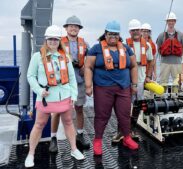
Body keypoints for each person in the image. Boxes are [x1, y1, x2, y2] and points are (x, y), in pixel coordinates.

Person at [25, 25, 84, 167]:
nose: (53, 42)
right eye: (50, 39)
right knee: (39, 124)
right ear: (46, 40)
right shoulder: (37, 57)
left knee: (69, 122)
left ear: (59, 41)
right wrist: (39, 91)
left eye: (55, 40)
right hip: (46, 97)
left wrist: (73, 95)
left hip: (64, 95)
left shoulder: (65, 57)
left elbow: (71, 78)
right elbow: (30, 76)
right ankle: (31, 154)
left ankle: (74, 149)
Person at [85, 20, 139, 155]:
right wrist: (88, 85)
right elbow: (88, 67)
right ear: (105, 34)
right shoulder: (96, 48)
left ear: (119, 35)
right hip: (103, 88)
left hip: (123, 87)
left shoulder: (126, 48)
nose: (113, 37)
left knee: (124, 115)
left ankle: (126, 138)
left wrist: (134, 84)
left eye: (115, 34)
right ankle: (98, 141)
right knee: (102, 115)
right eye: (110, 34)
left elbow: (133, 66)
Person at [49, 15, 90, 153]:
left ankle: (80, 135)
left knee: (79, 108)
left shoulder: (85, 44)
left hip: (79, 81)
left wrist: (86, 66)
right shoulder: (59, 42)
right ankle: (53, 138)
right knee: (57, 111)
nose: (73, 28)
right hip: (62, 83)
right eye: (71, 26)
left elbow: (90, 60)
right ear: (66, 28)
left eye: (76, 26)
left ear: (79, 29)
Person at [112, 19, 154, 143]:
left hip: (140, 79)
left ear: (141, 31)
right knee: (123, 106)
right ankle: (121, 131)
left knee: (137, 105)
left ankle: (133, 130)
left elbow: (151, 61)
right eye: (133, 30)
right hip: (126, 79)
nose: (135, 32)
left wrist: (148, 76)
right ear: (129, 31)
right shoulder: (123, 44)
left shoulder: (147, 45)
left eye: (137, 30)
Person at [156, 12, 183, 84]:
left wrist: (181, 55)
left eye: (172, 20)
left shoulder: (181, 35)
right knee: (163, 83)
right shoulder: (161, 35)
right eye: (169, 20)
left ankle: (177, 95)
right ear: (166, 22)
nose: (171, 22)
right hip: (164, 63)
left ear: (175, 22)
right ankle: (162, 95)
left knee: (178, 83)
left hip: (177, 63)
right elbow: (158, 47)